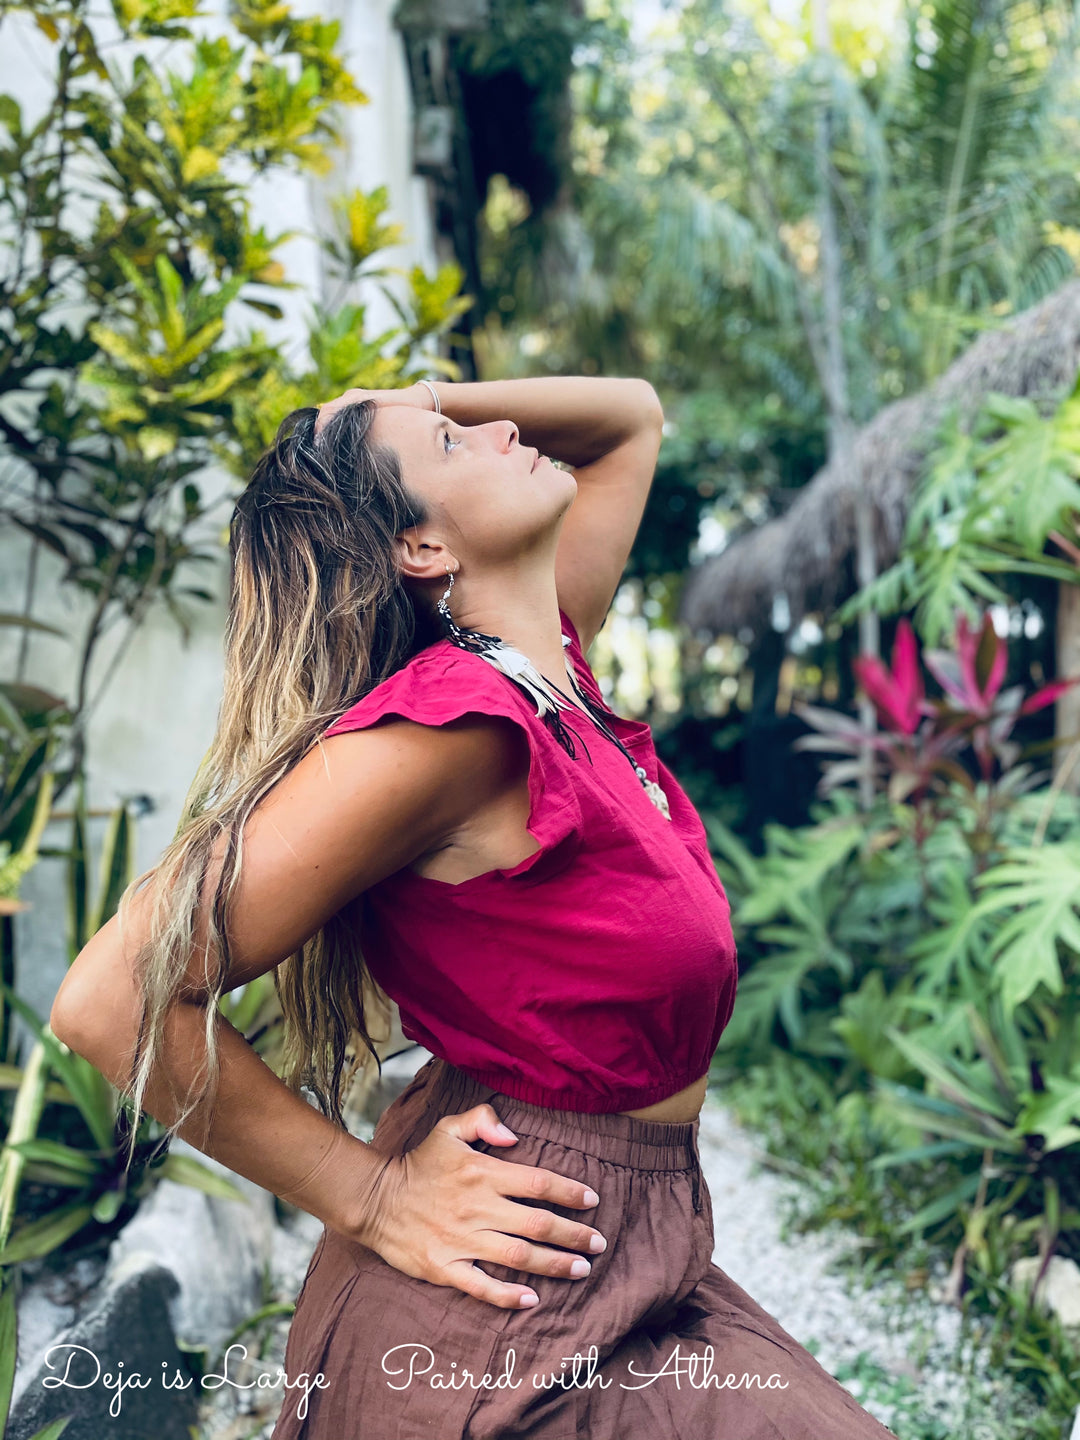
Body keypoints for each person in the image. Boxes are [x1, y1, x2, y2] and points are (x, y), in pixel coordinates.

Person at [50, 376, 897, 1439]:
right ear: (422, 547)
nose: (504, 429)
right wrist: (371, 1198)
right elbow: (109, 997)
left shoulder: (548, 675)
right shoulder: (451, 730)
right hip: (505, 1300)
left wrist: (410, 398)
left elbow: (630, 419)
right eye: (458, 443)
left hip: (621, 1256)